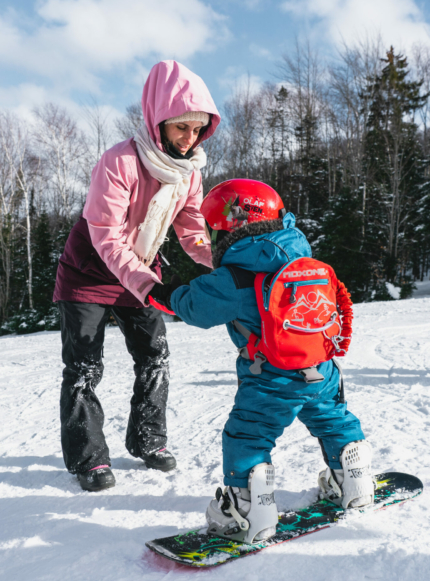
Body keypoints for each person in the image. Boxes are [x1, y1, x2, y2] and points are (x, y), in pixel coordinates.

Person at [170, 179, 375, 544]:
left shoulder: (235, 275)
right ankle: (354, 479)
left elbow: (191, 308)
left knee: (248, 434)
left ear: (223, 229)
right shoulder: (304, 258)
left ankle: (249, 510)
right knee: (332, 418)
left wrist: (157, 289)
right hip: (322, 369)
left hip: (271, 378)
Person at [53, 60, 220, 491]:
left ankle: (148, 440)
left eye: (198, 129)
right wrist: (148, 284)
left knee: (154, 355)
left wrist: (218, 264)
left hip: (141, 267)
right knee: (85, 366)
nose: (190, 138)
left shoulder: (189, 173)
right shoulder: (121, 161)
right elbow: (107, 237)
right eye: (182, 127)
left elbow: (191, 227)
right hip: (89, 271)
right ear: (159, 120)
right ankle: (87, 458)